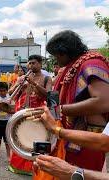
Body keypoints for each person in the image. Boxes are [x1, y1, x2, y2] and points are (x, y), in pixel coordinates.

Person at [33, 30, 109, 179]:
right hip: (70, 136)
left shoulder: (91, 63)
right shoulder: (71, 66)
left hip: (88, 142)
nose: (55, 59)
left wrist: (60, 110)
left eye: (55, 55)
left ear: (63, 53)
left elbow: (104, 102)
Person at [7, 54, 52, 175]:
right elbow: (11, 92)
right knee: (20, 136)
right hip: (22, 111)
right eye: (29, 63)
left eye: (34, 63)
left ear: (40, 64)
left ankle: (35, 168)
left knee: (36, 137)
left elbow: (48, 95)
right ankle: (19, 166)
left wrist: (34, 84)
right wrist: (18, 84)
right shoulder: (23, 77)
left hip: (38, 112)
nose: (31, 65)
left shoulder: (47, 78)